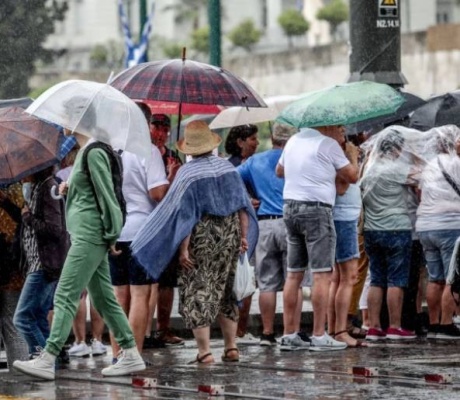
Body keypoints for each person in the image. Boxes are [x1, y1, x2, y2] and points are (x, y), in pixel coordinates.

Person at [13, 121, 145, 379]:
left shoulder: (94, 151)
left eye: (67, 119)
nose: (62, 125)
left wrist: (111, 233)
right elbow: (93, 192)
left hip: (89, 235)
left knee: (64, 294)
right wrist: (70, 188)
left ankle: (47, 358)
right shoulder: (88, 151)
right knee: (104, 298)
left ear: (81, 122)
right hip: (88, 233)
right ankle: (130, 353)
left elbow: (107, 195)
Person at [131, 121, 258, 364]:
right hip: (230, 235)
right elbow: (243, 205)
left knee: (199, 289)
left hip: (202, 239)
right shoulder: (227, 168)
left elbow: (186, 216)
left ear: (188, 148)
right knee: (227, 290)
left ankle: (205, 352)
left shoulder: (188, 174)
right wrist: (243, 237)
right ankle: (231, 348)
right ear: (211, 145)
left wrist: (183, 250)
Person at [276, 124, 358, 351]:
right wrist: (350, 155)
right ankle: (319, 335)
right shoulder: (328, 144)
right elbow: (352, 176)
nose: (342, 131)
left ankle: (289, 334)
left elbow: (279, 171)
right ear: (326, 125)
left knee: (294, 274)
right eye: (339, 128)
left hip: (290, 207)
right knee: (322, 274)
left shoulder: (293, 141)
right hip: (317, 210)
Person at [109, 104, 171, 358]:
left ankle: (116, 355)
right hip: (142, 233)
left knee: (118, 296)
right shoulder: (148, 150)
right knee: (139, 295)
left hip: (115, 231)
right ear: (145, 124)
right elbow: (157, 193)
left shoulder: (110, 149)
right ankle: (133, 356)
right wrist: (169, 181)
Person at [237, 123, 300, 346]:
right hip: (290, 221)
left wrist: (246, 199)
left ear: (272, 137)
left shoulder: (255, 161)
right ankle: (292, 331)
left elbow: (233, 178)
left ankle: (267, 332)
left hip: (264, 224)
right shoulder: (294, 158)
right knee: (295, 279)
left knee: (266, 284)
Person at [361, 128, 418, 341]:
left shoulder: (369, 169)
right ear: (395, 148)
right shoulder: (397, 168)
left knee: (376, 278)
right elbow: (419, 177)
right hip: (396, 228)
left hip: (372, 231)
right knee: (396, 279)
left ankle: (374, 327)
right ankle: (395, 326)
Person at [13, 167, 69, 357]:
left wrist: (28, 217)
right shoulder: (38, 188)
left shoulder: (48, 188)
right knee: (37, 316)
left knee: (22, 318)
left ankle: (42, 358)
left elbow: (54, 229)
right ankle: (53, 361)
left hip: (44, 264)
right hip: (37, 263)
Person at [416, 126, 460, 339]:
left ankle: (433, 324)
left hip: (426, 225)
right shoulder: (457, 164)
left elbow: (420, 192)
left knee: (435, 278)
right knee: (453, 279)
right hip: (451, 225)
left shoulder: (428, 165)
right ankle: (446, 325)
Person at [146, 113, 183, 347]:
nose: (160, 134)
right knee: (148, 281)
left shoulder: (173, 157)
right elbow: (158, 194)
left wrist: (175, 175)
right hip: (147, 224)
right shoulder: (144, 155)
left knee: (168, 281)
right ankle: (145, 329)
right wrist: (169, 178)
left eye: (165, 129)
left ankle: (163, 328)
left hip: (167, 225)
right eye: (156, 128)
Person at [225, 124, 260, 342]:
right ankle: (237, 330)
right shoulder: (231, 167)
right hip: (239, 228)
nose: (256, 142)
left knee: (246, 277)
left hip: (250, 226)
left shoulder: (255, 164)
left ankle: (241, 329)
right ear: (240, 142)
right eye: (252, 139)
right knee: (241, 276)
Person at [0, 184, 29, 369]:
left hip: (11, 266)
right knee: (13, 326)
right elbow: (25, 222)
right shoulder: (19, 188)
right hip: (13, 264)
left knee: (13, 324)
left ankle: (20, 375)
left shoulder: (16, 192)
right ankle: (21, 379)